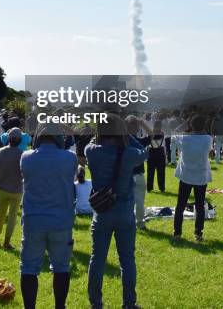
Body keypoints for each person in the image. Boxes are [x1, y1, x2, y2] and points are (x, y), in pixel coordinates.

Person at [86, 114, 147, 309]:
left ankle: (96, 303)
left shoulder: (92, 151)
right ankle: (129, 303)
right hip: (124, 210)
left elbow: (90, 142)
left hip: (102, 211)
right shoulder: (128, 153)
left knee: (97, 260)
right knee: (127, 260)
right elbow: (143, 153)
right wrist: (127, 136)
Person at [20, 122, 78, 309]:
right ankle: (59, 306)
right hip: (61, 220)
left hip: (33, 220)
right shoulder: (70, 158)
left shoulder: (26, 157)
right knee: (61, 268)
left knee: (29, 269)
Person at [173, 115, 212, 241]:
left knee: (180, 205)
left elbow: (174, 132)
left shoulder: (185, 138)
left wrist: (186, 122)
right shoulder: (207, 139)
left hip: (186, 176)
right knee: (200, 206)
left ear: (191, 125)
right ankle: (198, 233)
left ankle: (177, 233)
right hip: (201, 176)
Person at [0, 127, 23, 249]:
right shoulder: (22, 154)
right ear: (20, 140)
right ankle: (7, 242)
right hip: (16, 189)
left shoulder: (0, 151)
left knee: (0, 214)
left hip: (2, 187)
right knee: (12, 216)